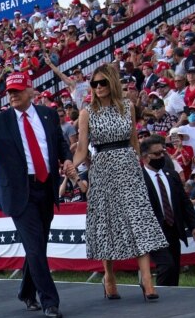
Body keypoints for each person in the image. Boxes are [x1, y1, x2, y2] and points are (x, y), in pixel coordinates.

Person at [0, 71, 74, 318]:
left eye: (17, 91)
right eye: (9, 92)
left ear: (30, 90)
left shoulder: (48, 115)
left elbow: (59, 142)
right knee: (35, 247)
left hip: (46, 188)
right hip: (19, 193)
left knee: (38, 246)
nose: (12, 95)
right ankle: (50, 301)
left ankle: (25, 291)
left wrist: (66, 158)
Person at [71, 63, 169, 302]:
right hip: (102, 168)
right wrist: (71, 166)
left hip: (128, 166)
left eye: (103, 82)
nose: (99, 87)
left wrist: (139, 165)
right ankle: (109, 276)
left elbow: (134, 140)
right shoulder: (87, 113)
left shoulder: (127, 107)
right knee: (107, 222)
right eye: (95, 84)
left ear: (112, 83)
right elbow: (83, 148)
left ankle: (146, 278)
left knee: (139, 220)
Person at [140, 136, 195, 287]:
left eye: (162, 152)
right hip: (152, 232)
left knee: (174, 269)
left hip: (173, 229)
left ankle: (171, 302)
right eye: (156, 154)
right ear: (144, 157)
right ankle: (158, 299)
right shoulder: (138, 180)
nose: (161, 156)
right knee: (166, 265)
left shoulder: (172, 175)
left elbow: (185, 204)